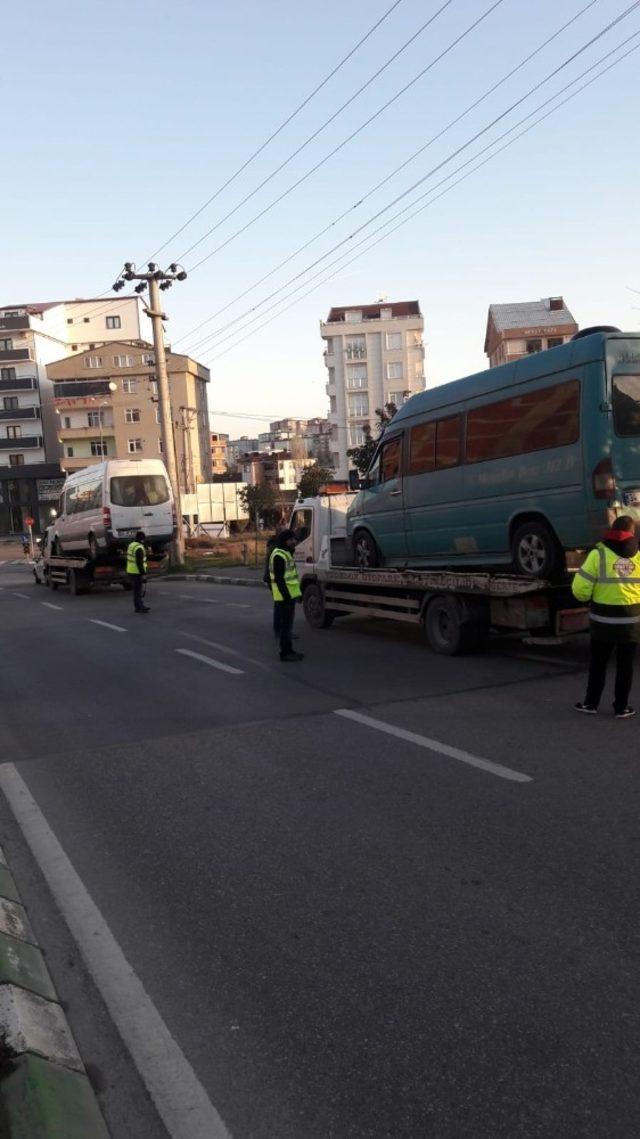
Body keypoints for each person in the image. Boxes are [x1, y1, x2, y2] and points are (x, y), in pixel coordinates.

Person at [572, 515, 640, 717]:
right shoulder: (638, 556)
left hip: (603, 623)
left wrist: (586, 597)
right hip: (631, 622)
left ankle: (591, 704)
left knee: (598, 664)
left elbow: (580, 589)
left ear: (612, 530)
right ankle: (621, 707)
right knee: (625, 666)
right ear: (632, 533)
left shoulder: (598, 554)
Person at [268, 529, 303, 662]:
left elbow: (291, 578)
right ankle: (285, 652)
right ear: (285, 541)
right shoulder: (279, 555)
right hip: (284, 597)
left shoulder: (286, 553)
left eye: (294, 539)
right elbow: (279, 579)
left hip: (289, 595)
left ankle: (289, 650)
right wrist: (287, 596)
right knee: (286, 626)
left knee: (288, 625)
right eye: (291, 539)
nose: (294, 542)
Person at [126, 530, 149, 613]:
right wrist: (144, 574)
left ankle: (137, 606)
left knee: (136, 591)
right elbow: (139, 563)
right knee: (138, 591)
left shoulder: (131, 545)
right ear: (142, 539)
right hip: (137, 572)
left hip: (130, 570)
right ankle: (140, 607)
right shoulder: (139, 548)